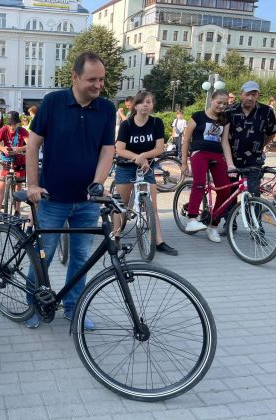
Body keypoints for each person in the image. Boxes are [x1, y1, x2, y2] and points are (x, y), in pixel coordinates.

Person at [25, 51, 116, 329]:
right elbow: (33, 144)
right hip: (53, 198)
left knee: (81, 258)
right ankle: (34, 305)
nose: (98, 85)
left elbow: (107, 149)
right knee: (44, 256)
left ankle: (73, 308)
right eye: (92, 79)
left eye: (101, 79)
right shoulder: (53, 102)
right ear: (75, 77)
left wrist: (98, 185)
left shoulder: (107, 108)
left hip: (87, 201)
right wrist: (31, 184)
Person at [114, 91, 178, 255]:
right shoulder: (127, 125)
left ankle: (159, 241)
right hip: (126, 166)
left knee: (153, 206)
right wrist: (137, 157)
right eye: (141, 102)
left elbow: (158, 148)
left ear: (152, 105)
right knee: (121, 204)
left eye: (148, 102)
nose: (145, 105)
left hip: (146, 167)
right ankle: (115, 236)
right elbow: (120, 149)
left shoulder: (156, 122)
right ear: (135, 105)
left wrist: (143, 157)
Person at [181, 90, 233, 243]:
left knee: (225, 190)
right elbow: (186, 140)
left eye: (225, 103)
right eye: (219, 102)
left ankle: (213, 225)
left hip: (217, 155)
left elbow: (224, 142)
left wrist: (230, 164)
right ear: (212, 100)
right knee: (199, 183)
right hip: (199, 153)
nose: (222, 106)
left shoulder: (225, 119)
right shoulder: (198, 116)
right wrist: (184, 162)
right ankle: (191, 219)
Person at [226, 81, 276, 197]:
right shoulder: (230, 112)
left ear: (257, 96)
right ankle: (228, 215)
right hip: (231, 160)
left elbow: (272, 132)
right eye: (247, 94)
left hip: (253, 160)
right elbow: (223, 137)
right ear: (241, 94)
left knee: (253, 194)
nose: (250, 98)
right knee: (229, 194)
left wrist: (260, 146)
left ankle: (253, 216)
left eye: (254, 94)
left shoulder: (266, 111)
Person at [0, 111, 28, 215]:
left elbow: (30, 144)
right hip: (7, 160)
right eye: (10, 124)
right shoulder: (3, 130)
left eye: (14, 124)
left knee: (18, 185)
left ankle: (17, 210)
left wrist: (19, 149)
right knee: (1, 185)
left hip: (20, 160)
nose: (12, 126)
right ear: (7, 124)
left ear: (18, 123)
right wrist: (2, 148)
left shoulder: (22, 131)